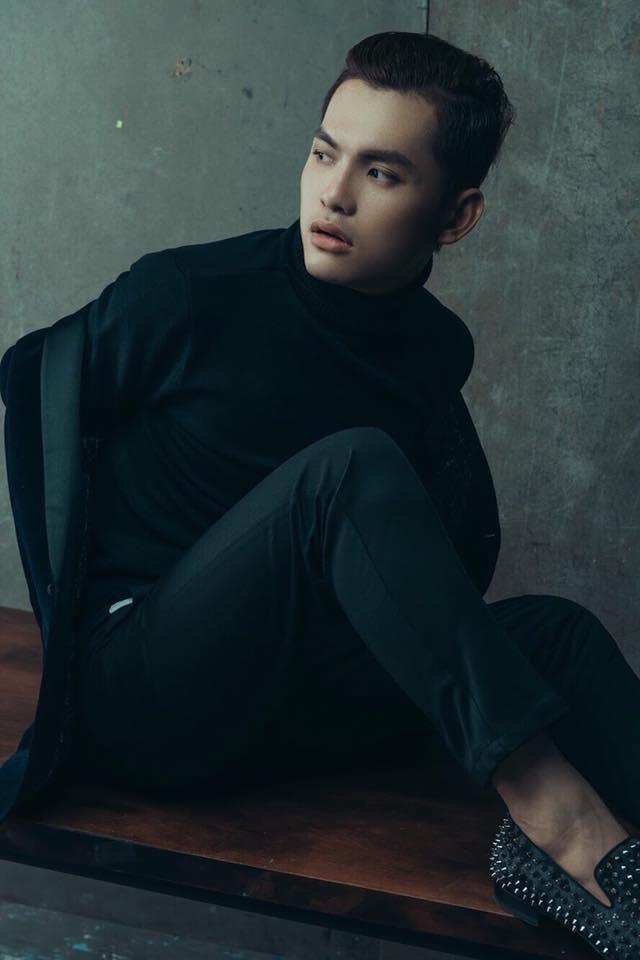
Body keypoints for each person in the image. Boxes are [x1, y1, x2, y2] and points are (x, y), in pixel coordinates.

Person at [70, 31, 639, 949]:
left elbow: (436, 558)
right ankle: (561, 827)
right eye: (323, 153)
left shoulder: (433, 348)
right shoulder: (187, 294)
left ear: (456, 216)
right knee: (348, 470)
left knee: (557, 636)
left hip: (292, 695)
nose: (332, 195)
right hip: (151, 699)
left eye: (381, 173)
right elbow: (39, 392)